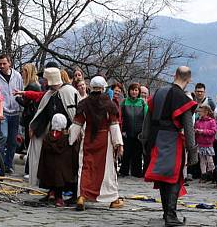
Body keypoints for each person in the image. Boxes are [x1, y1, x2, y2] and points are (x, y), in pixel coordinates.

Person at [140, 66, 198, 227]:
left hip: (155, 137)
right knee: (173, 176)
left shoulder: (159, 92)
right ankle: (171, 216)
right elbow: (188, 128)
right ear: (189, 79)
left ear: (175, 75)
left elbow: (148, 117)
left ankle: (167, 212)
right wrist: (193, 152)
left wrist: (144, 140)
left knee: (163, 176)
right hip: (171, 139)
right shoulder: (182, 98)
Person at [71, 76, 125, 210]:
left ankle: (82, 196)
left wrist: (71, 138)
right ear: (103, 87)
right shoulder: (109, 104)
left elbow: (77, 123)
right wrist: (118, 143)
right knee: (107, 170)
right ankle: (113, 199)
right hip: (104, 140)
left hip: (89, 138)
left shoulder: (84, 103)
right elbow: (114, 125)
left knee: (86, 167)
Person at [27, 67, 79, 188]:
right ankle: (52, 192)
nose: (43, 82)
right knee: (50, 165)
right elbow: (43, 114)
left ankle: (66, 192)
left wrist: (75, 133)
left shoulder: (68, 92)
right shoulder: (49, 95)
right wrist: (34, 128)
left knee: (65, 166)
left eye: (45, 79)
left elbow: (75, 115)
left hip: (67, 138)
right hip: (52, 138)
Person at [37, 114, 77, 207]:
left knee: (53, 172)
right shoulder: (66, 139)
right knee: (61, 174)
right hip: (62, 171)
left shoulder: (47, 137)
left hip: (49, 169)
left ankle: (52, 193)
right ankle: (59, 198)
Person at [0, 54, 24, 174]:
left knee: (13, 141)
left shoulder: (17, 75)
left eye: (4, 63)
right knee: (3, 136)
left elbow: (21, 91)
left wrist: (19, 101)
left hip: (15, 111)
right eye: (0, 63)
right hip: (3, 111)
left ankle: (8, 165)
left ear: (10, 63)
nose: (2, 66)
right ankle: (0, 164)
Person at [120, 82, 148, 177]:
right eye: (132, 90)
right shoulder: (124, 102)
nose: (134, 92)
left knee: (137, 153)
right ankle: (124, 171)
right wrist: (122, 130)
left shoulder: (142, 103)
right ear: (129, 91)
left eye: (136, 90)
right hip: (127, 132)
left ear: (139, 92)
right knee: (126, 153)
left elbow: (146, 117)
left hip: (139, 132)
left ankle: (137, 172)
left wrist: (144, 132)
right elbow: (120, 117)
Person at [194, 104, 217, 179]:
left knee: (210, 160)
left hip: (208, 144)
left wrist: (202, 131)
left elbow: (213, 131)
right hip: (200, 144)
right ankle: (203, 175)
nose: (199, 113)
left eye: (201, 111)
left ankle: (212, 174)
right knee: (202, 161)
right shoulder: (198, 122)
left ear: (206, 112)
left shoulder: (212, 121)